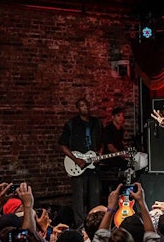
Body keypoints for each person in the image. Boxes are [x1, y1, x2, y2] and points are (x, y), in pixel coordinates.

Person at [58, 97, 104, 229]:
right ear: (78, 109)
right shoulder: (72, 124)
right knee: (79, 197)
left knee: (95, 196)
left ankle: (96, 224)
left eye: (87, 105)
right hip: (78, 166)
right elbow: (63, 145)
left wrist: (100, 153)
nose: (86, 108)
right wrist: (76, 160)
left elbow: (102, 141)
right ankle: (80, 226)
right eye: (82, 106)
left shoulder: (97, 123)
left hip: (93, 166)